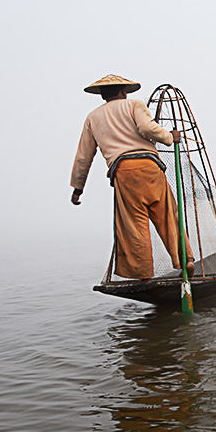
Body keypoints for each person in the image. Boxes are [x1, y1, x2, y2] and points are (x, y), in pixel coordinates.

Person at [70, 74, 194, 280]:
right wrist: (169, 137)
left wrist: (77, 188)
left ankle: (144, 274)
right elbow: (147, 127)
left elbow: (84, 156)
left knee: (135, 225)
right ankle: (186, 260)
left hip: (123, 172)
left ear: (103, 95)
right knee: (168, 216)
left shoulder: (93, 117)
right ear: (123, 91)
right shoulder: (134, 105)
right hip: (150, 167)